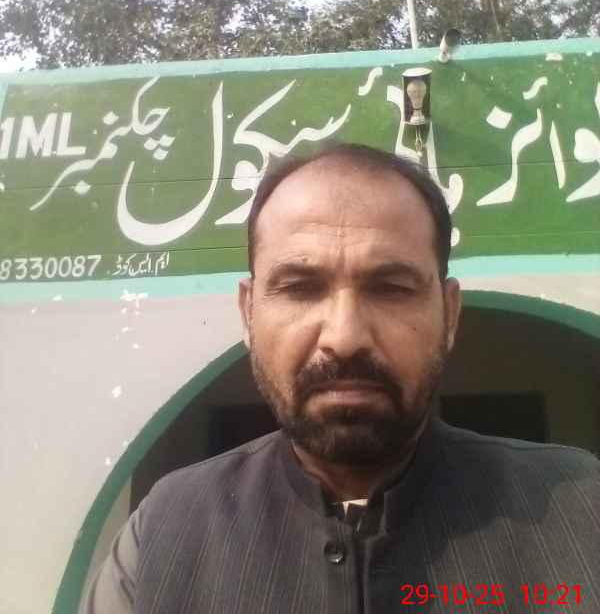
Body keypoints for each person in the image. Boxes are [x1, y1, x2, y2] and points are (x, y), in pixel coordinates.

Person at [83, 142, 600, 614]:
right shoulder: (165, 534)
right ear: (248, 314)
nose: (345, 337)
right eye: (300, 288)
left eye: (391, 288)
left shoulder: (581, 510)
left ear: (449, 314)